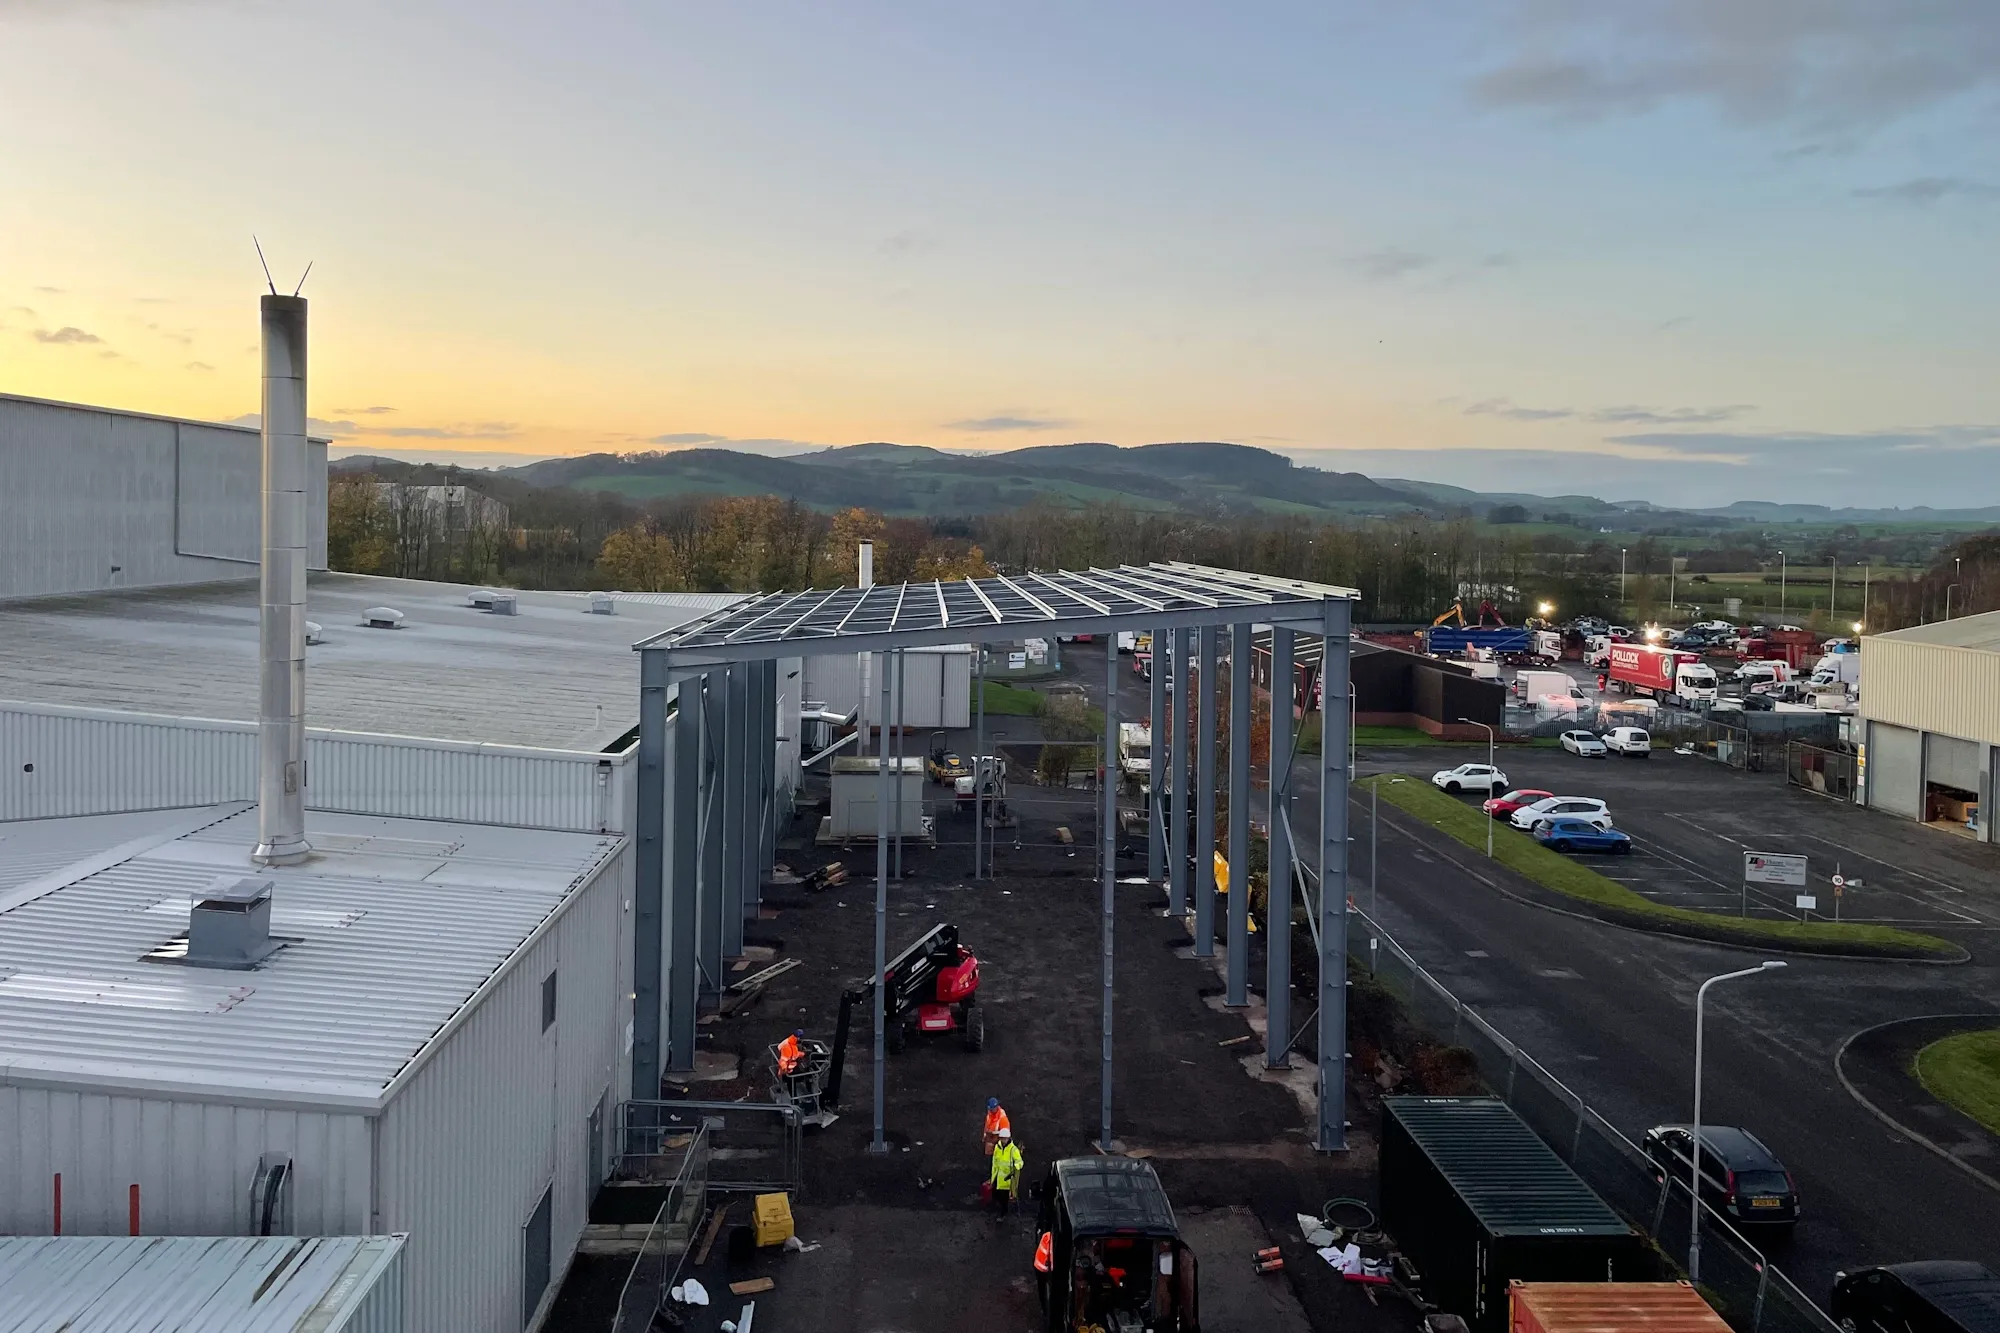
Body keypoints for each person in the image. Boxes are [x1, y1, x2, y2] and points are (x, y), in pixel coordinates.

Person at [989, 1127, 1024, 1216]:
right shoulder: (997, 1147)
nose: (1004, 1140)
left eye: (1005, 1138)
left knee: (1004, 1198)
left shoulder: (1013, 1150)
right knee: (996, 1194)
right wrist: (993, 1175)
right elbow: (995, 1161)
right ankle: (999, 1207)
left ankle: (1003, 1213)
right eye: (1002, 1138)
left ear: (1008, 1138)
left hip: (1006, 1180)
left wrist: (1015, 1168)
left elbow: (1020, 1162)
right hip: (997, 1177)